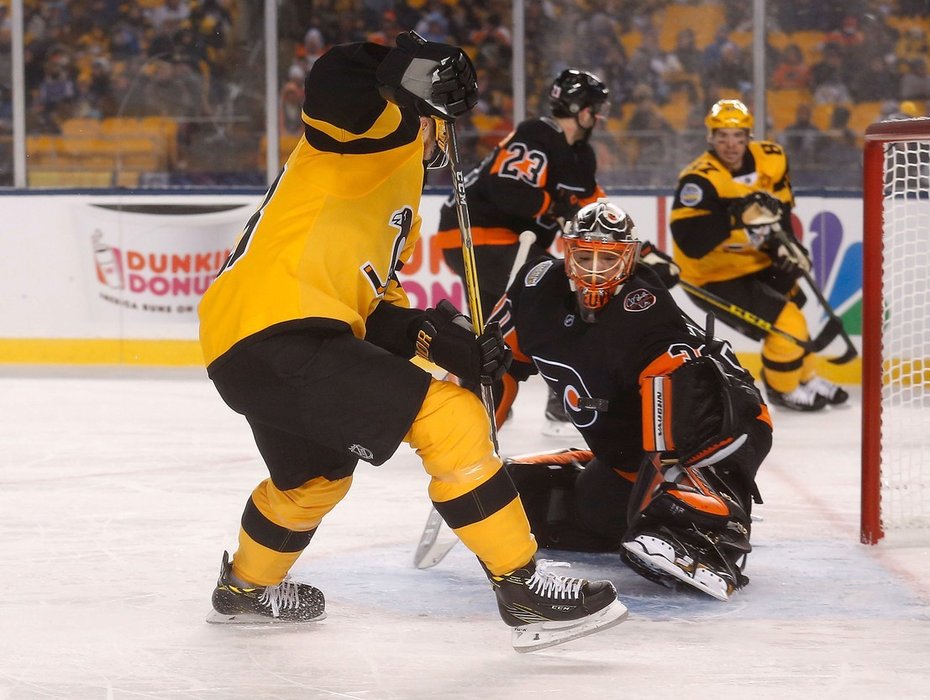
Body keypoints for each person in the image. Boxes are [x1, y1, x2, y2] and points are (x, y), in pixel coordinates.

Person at [197, 31, 626, 651]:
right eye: (442, 122)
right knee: (451, 419)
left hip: (253, 340)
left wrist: (442, 339)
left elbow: (377, 309)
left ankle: (244, 589)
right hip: (280, 328)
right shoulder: (378, 133)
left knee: (313, 479)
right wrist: (400, 66)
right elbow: (331, 87)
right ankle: (523, 588)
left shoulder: (398, 196)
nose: (448, 140)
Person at [489, 200, 771, 600]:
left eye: (608, 258)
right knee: (536, 502)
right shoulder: (536, 288)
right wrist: (473, 450)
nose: (593, 269)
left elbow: (675, 394)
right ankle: (629, 493)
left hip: (722, 430)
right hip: (629, 454)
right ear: (566, 252)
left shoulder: (645, 305)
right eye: (584, 255)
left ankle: (717, 521)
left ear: (630, 259)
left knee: (658, 518)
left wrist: (659, 489)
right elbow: (496, 368)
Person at [435, 68, 609, 437]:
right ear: (579, 108)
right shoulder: (537, 135)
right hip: (477, 235)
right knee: (557, 297)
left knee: (494, 327)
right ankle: (562, 401)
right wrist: (553, 203)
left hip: (490, 240)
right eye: (595, 108)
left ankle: (470, 403)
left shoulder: (581, 156)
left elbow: (595, 211)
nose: (599, 116)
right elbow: (506, 188)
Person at [669, 99, 848, 411]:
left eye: (738, 136)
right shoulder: (699, 179)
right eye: (722, 136)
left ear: (749, 136)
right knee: (787, 324)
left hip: (755, 260)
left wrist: (788, 247)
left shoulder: (771, 158)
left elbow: (780, 212)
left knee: (794, 306)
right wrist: (733, 217)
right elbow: (690, 243)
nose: (731, 145)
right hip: (711, 276)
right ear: (710, 137)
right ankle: (783, 389)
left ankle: (804, 376)